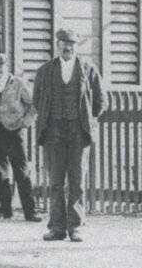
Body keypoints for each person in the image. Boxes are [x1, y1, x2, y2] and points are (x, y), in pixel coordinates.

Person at [31, 27, 108, 243]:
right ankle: (57, 227)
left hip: (78, 131)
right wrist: (51, 117)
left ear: (77, 46)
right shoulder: (45, 71)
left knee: (77, 180)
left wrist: (86, 119)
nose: (68, 47)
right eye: (64, 43)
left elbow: (101, 101)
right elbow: (37, 100)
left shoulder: (88, 69)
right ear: (57, 44)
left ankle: (75, 227)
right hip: (54, 130)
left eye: (72, 44)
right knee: (56, 181)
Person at [0, 51, 39, 222]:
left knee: (21, 171)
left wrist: (25, 122)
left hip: (14, 131)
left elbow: (33, 105)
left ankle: (30, 211)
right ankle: (5, 210)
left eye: (1, 66)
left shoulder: (19, 84)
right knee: (1, 171)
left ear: (7, 66)